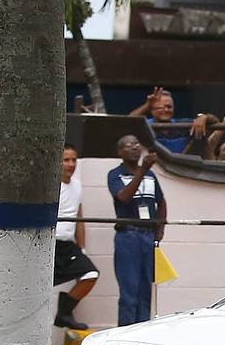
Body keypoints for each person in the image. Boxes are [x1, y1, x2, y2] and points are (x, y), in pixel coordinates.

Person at [108, 135, 166, 326]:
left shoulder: (151, 175)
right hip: (128, 237)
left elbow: (161, 201)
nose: (134, 147)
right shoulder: (115, 174)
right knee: (129, 293)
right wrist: (143, 169)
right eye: (128, 145)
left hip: (147, 237)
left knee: (145, 293)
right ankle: (124, 334)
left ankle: (141, 333)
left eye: (136, 144)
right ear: (120, 152)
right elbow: (124, 197)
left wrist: (160, 227)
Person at [53, 145, 98, 331]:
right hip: (51, 245)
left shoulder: (77, 184)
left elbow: (79, 217)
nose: (70, 164)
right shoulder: (51, 185)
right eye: (66, 160)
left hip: (68, 245)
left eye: (74, 160)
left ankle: (64, 313)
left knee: (90, 274)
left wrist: (82, 247)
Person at [128, 87, 213, 155]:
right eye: (160, 107)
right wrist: (147, 105)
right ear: (151, 110)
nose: (165, 110)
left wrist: (203, 117)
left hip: (181, 168)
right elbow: (129, 122)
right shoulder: (145, 125)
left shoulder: (182, 124)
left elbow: (214, 121)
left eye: (169, 107)